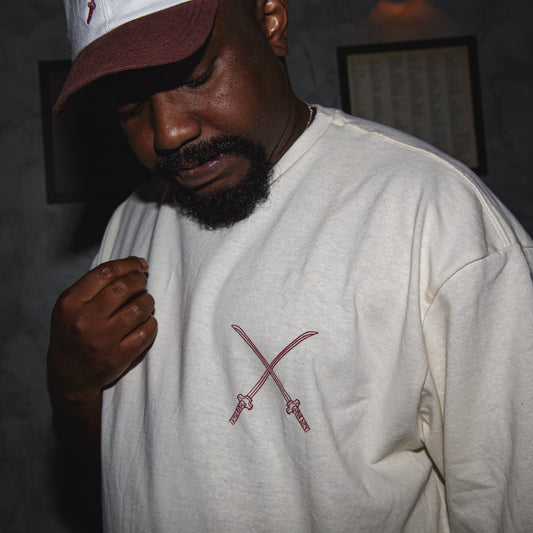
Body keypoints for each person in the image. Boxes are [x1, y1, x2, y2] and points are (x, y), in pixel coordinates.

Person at [48, 0, 533, 531]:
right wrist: (73, 385)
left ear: (270, 21)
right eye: (129, 107)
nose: (168, 132)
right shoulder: (131, 221)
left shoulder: (435, 218)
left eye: (196, 77)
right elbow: (128, 468)